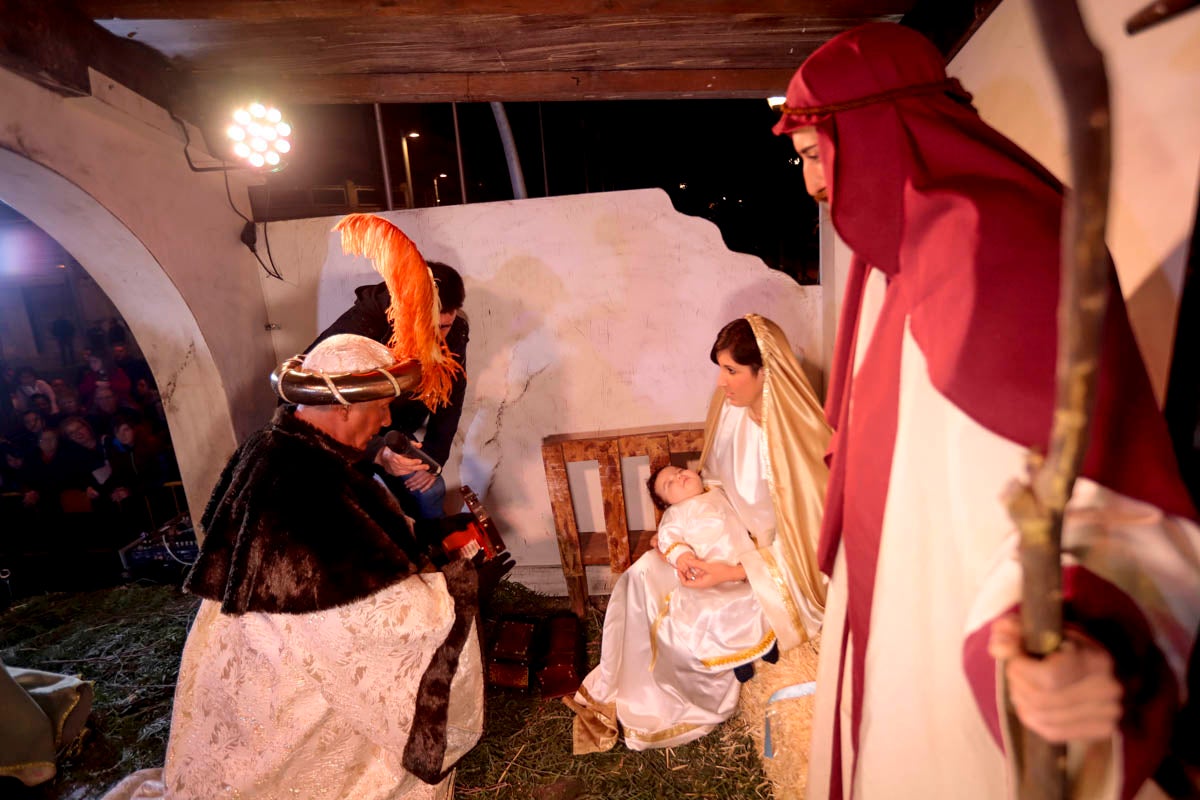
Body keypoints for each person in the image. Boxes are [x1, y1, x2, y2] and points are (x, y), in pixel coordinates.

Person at [770, 23, 1200, 799]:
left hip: (956, 601)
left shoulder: (1011, 248)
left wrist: (1080, 632)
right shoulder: (888, 261)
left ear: (872, 129)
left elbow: (1096, 483)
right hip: (898, 580)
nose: (814, 185)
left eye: (813, 155)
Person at [102, 334, 484, 800]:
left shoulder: (280, 445)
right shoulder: (301, 484)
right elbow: (358, 615)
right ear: (341, 406)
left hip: (264, 638)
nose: (386, 420)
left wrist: (424, 539)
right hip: (286, 668)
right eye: (380, 407)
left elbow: (358, 536)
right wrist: (452, 588)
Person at [566, 315, 831, 753]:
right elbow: (716, 482)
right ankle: (622, 683)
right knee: (642, 576)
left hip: (764, 566)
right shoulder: (730, 408)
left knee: (687, 622)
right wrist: (678, 533)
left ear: (766, 372)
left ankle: (678, 695)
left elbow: (805, 541)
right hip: (717, 535)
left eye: (732, 371)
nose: (721, 382)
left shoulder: (790, 440)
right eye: (720, 368)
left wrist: (730, 571)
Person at [309, 262, 469, 521]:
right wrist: (377, 451)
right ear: (407, 313)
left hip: (396, 428)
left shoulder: (456, 332)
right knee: (355, 511)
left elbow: (451, 395)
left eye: (444, 327)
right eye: (427, 328)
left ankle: (433, 552)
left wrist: (432, 459)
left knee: (430, 492)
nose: (436, 339)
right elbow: (300, 397)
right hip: (344, 430)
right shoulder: (366, 321)